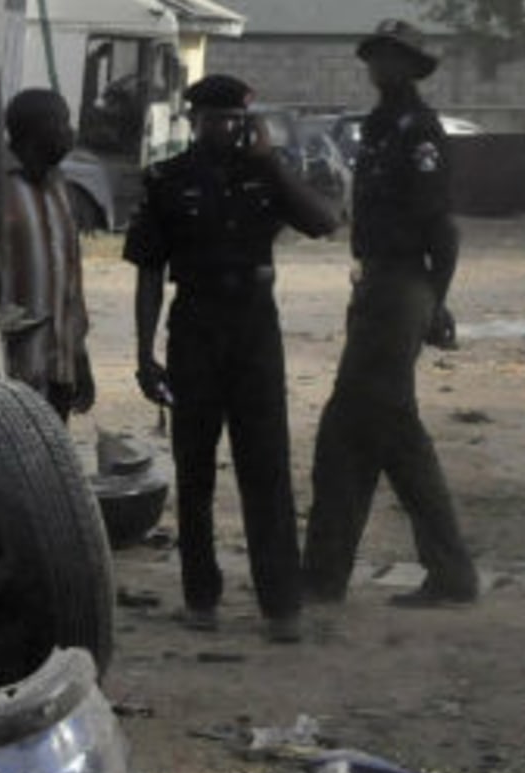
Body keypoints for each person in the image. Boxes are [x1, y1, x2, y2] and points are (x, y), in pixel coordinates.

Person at [122, 74, 339, 642]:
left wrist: (271, 164)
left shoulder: (265, 175)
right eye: (216, 119)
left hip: (254, 331)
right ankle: (201, 597)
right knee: (194, 472)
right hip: (194, 328)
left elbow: (324, 222)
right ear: (194, 121)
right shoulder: (167, 180)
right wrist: (144, 353)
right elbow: (148, 273)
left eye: (237, 120)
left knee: (265, 466)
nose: (227, 129)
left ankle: (281, 605)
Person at [301, 20, 479, 607]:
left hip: (402, 286)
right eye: (374, 56)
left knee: (352, 430)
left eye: (391, 58)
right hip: (377, 282)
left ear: (411, 67)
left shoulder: (418, 130)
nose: (378, 66)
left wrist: (436, 302)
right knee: (391, 434)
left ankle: (324, 578)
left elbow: (442, 229)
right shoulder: (378, 128)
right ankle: (448, 575)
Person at [0, 89, 93, 420]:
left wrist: (79, 358)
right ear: (35, 129)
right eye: (63, 123)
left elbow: (71, 281)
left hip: (58, 373)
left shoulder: (60, 186)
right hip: (9, 376)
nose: (70, 133)